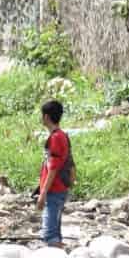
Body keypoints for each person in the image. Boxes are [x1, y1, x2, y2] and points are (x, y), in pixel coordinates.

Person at [37, 99, 72, 246]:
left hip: (54, 190)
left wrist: (43, 194)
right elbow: (70, 162)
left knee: (50, 234)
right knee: (55, 232)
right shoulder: (62, 135)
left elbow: (53, 168)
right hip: (59, 189)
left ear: (46, 117)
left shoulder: (56, 138)